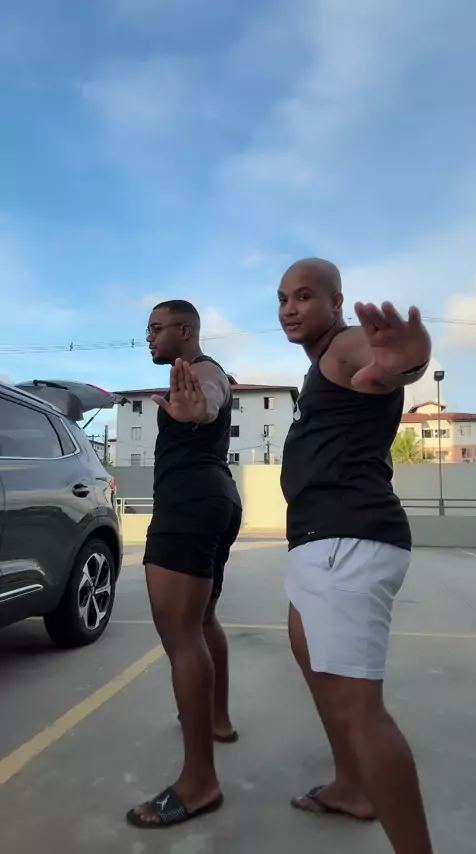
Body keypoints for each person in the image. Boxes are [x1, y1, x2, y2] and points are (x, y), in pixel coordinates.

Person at [278, 259, 434, 854]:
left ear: (337, 302)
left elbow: (386, 366)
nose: (290, 309)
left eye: (304, 296)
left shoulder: (344, 346)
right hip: (320, 541)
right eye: (282, 299)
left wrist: (408, 360)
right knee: (315, 667)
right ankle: (350, 786)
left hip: (347, 540)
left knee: (359, 708)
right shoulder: (320, 363)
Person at [127, 300, 242, 829]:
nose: (149, 337)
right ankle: (217, 720)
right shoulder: (195, 375)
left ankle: (199, 783)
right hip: (217, 498)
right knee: (203, 620)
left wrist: (203, 409)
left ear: (186, 330)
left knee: (181, 636)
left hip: (188, 504)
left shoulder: (202, 373)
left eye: (156, 328)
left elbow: (212, 395)